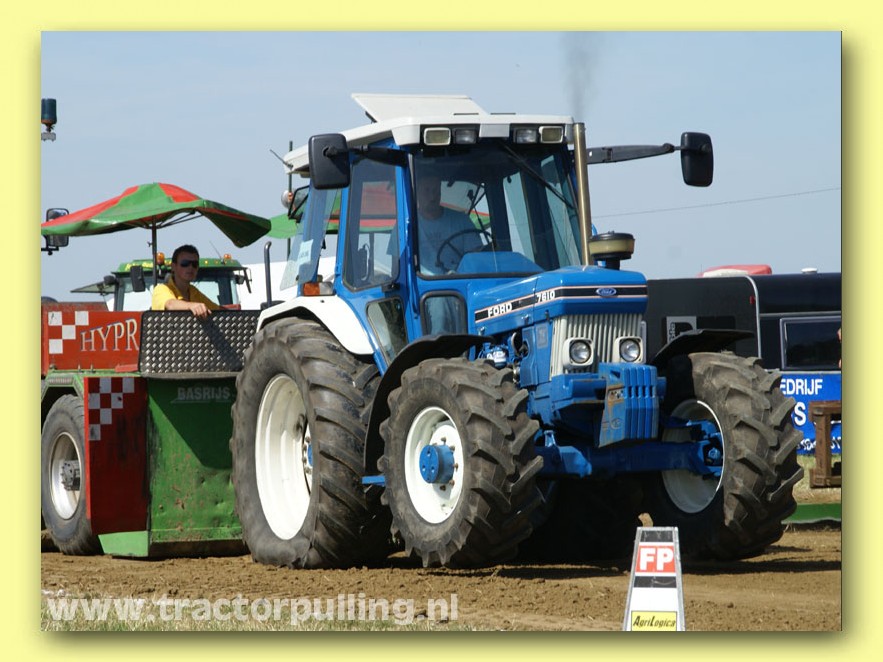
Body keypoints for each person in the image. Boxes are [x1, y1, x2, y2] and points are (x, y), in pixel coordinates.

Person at [416, 174, 483, 275]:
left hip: (460, 281)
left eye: (435, 190)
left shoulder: (462, 221)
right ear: (417, 193)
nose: (432, 197)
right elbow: (398, 268)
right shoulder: (406, 227)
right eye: (426, 190)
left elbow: (476, 258)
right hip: (423, 283)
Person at [151, 245, 219, 319]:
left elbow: (218, 310)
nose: (190, 267)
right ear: (173, 266)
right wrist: (191, 306)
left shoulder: (194, 292)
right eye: (185, 263)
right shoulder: (161, 289)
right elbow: (170, 304)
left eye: (194, 264)